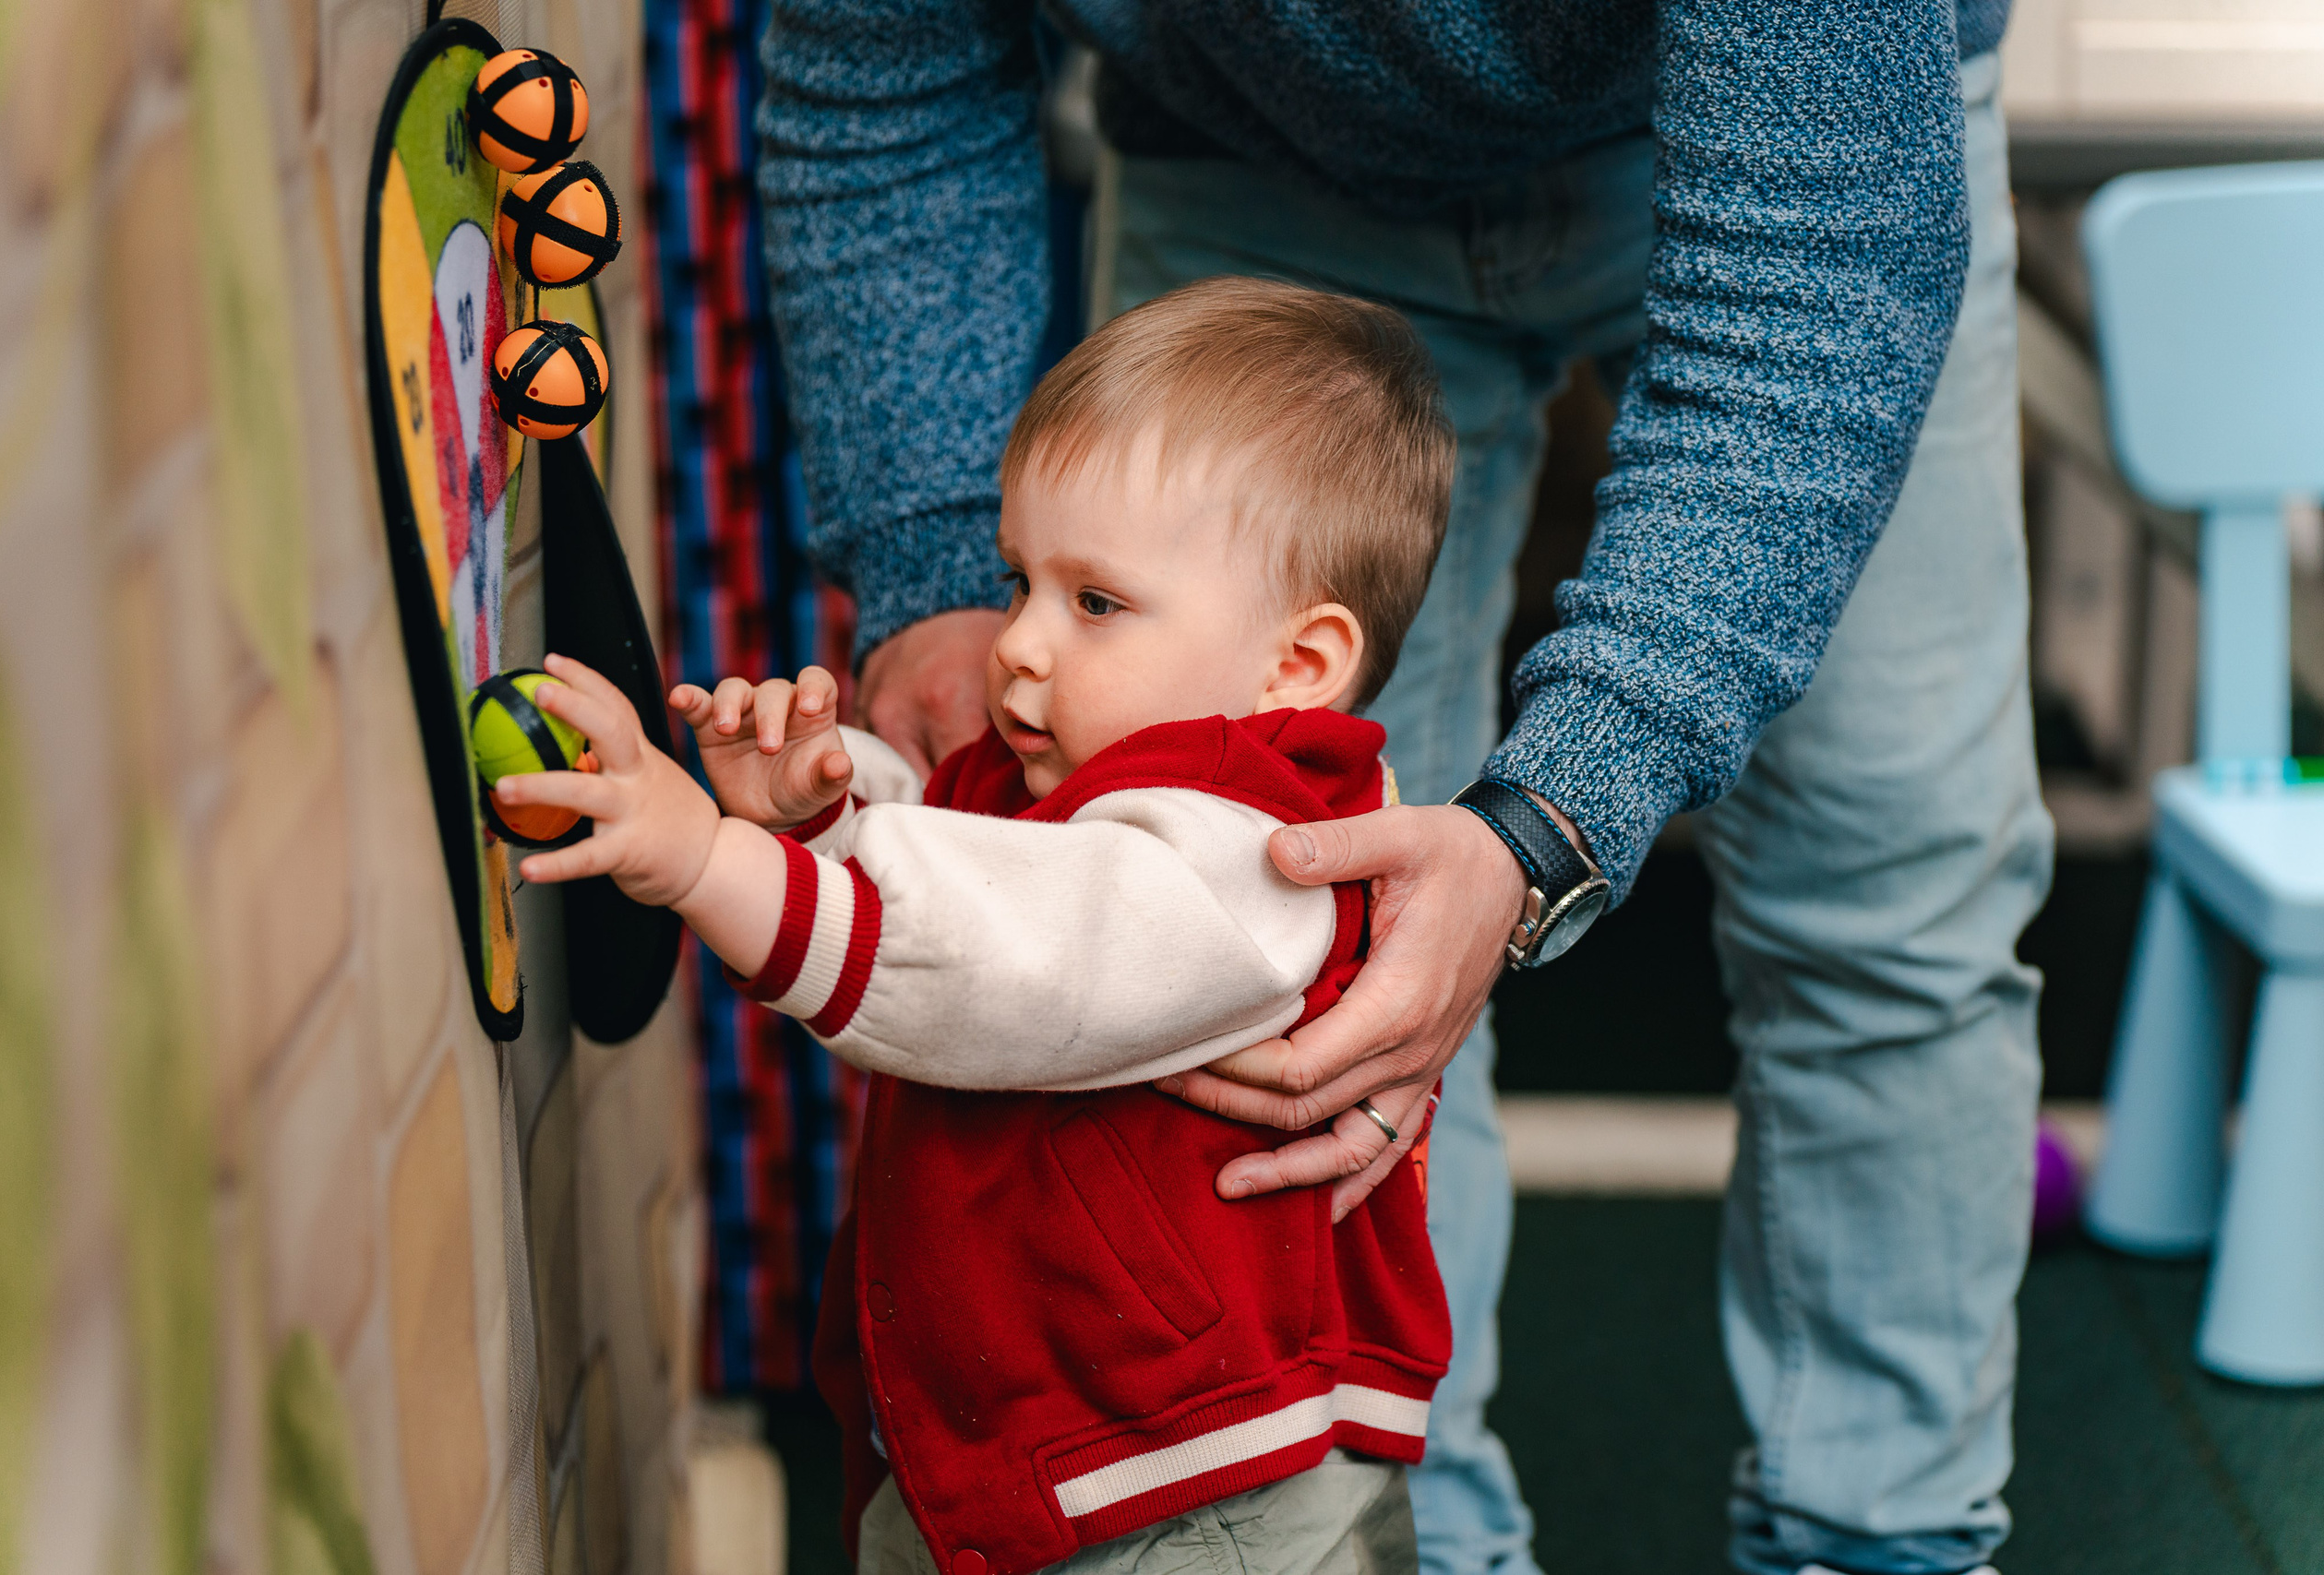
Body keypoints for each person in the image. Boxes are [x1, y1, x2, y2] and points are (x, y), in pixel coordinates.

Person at [756, 6, 2049, 1575]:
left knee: (1893, 894)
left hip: (1812, 190)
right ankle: (1422, 1545)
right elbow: (882, 78)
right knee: (1304, 990)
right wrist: (943, 560)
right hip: (1255, 162)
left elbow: (1813, 284)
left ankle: (1888, 1544)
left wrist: (1547, 823)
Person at [503, 280, 1467, 1574]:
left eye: (1097, 605)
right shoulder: (1063, 781)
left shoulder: (1255, 854)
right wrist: (816, 816)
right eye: (1020, 581)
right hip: (1053, 1451)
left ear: (1296, 666)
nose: (1017, 646)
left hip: (1206, 1492)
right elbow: (965, 859)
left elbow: (1012, 954)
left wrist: (706, 859)